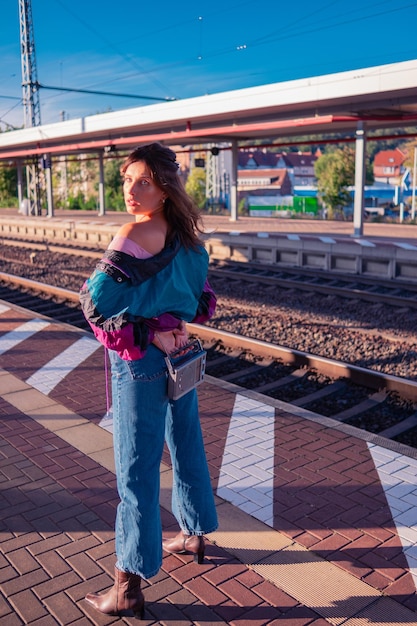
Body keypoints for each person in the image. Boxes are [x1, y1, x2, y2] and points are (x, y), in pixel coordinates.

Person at [80, 143, 218, 619]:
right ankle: (195, 532)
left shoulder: (135, 234)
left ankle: (127, 588)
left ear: (165, 187)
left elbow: (95, 306)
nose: (132, 191)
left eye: (143, 181)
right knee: (186, 443)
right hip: (181, 357)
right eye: (127, 180)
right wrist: (173, 324)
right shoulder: (190, 239)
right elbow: (202, 301)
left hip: (141, 362)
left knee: (135, 470)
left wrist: (147, 330)